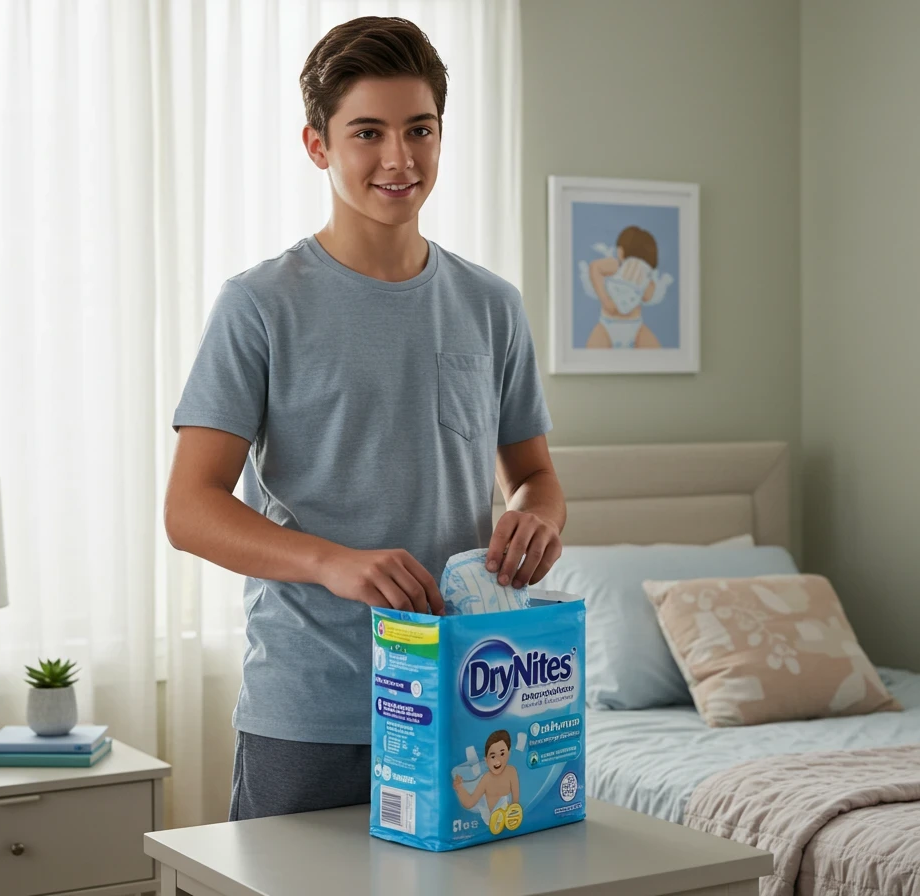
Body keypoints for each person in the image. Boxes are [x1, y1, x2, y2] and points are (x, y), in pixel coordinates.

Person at [163, 16, 566, 822]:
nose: (399, 159)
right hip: (311, 713)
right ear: (318, 145)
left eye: (420, 130)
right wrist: (330, 563)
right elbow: (190, 510)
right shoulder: (259, 305)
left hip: (466, 700)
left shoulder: (493, 305)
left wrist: (537, 519)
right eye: (368, 133)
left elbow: (533, 475)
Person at [452, 730, 520, 817]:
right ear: (486, 760)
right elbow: (469, 803)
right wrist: (459, 788)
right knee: (465, 777)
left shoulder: (511, 772)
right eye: (493, 756)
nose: (498, 760)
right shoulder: (486, 779)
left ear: (508, 754)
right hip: (490, 816)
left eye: (502, 753)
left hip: (503, 814)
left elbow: (515, 800)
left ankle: (476, 764)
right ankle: (474, 763)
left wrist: (513, 814)